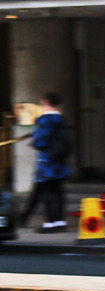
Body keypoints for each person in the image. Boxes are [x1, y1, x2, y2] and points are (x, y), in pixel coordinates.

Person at [19, 92, 72, 232]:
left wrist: (34, 141)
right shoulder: (61, 119)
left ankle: (50, 223)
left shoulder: (47, 119)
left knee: (48, 192)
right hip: (59, 161)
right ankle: (59, 221)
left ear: (46, 102)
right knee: (57, 192)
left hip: (47, 162)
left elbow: (41, 140)